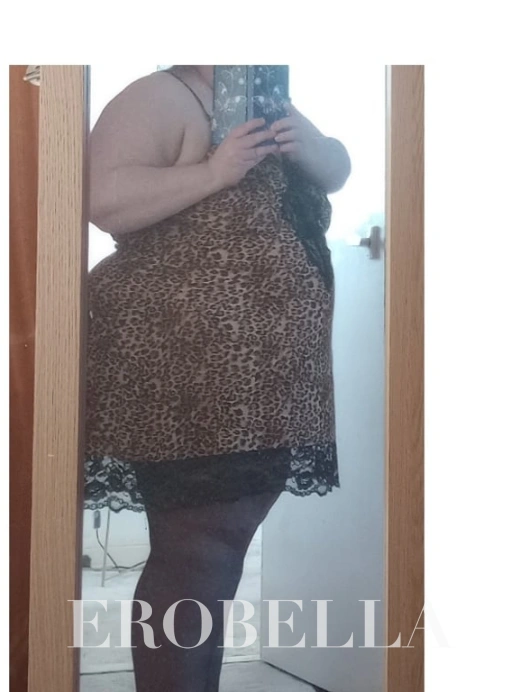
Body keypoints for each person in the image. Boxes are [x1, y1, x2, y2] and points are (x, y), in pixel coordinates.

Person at [84, 64, 351, 692]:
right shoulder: (160, 95)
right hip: (190, 376)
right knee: (195, 554)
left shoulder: (262, 96)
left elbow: (337, 168)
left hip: (271, 383)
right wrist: (212, 172)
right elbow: (101, 200)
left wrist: (308, 145)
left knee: (217, 553)